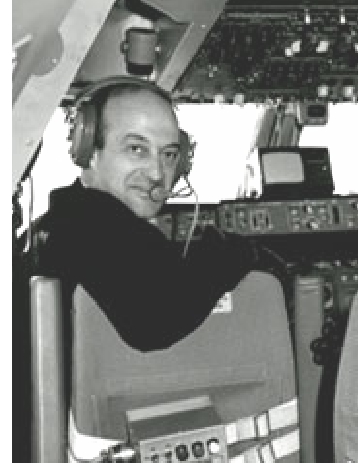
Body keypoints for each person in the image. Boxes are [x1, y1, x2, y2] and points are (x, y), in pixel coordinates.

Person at [25, 78, 261, 352]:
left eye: (169, 155)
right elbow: (155, 322)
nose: (157, 174)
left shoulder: (61, 221)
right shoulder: (95, 229)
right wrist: (234, 252)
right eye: (137, 150)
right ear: (87, 151)